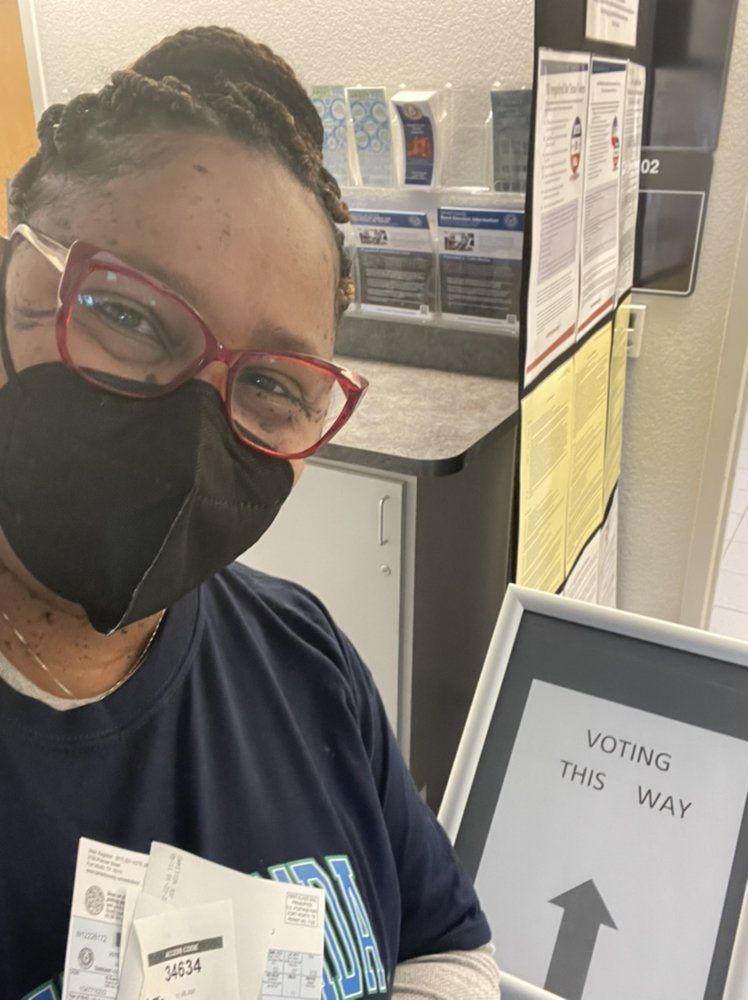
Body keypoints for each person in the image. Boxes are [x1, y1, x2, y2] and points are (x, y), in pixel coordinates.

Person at [0, 25, 500, 1000]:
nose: (198, 421)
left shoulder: (303, 659)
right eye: (133, 314)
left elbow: (444, 940)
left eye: (270, 381)